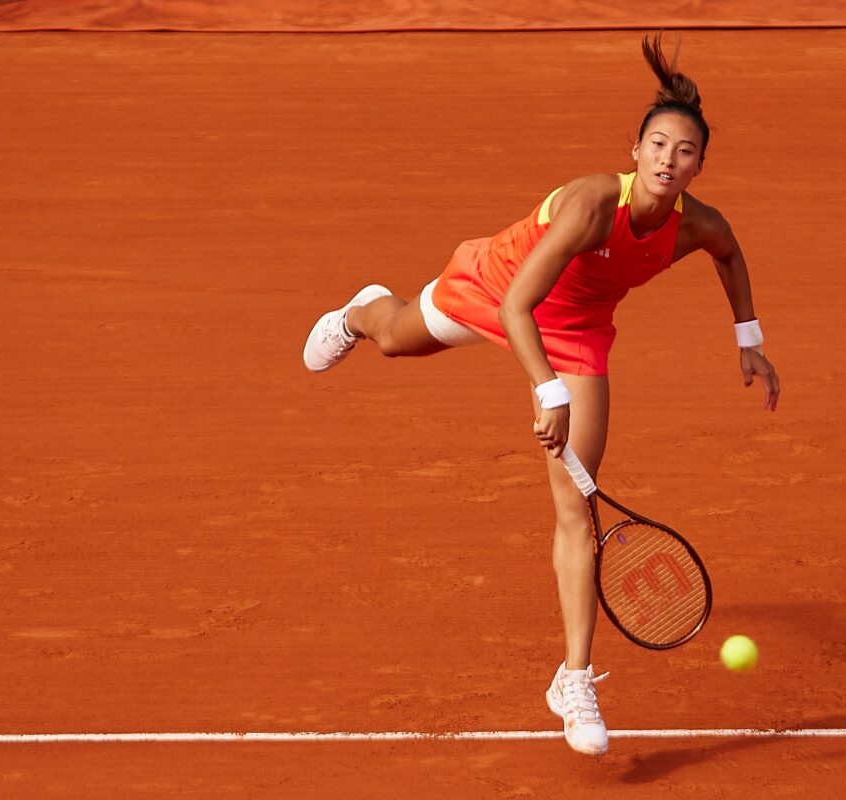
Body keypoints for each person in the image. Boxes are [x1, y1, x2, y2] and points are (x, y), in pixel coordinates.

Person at [302, 34, 780, 756]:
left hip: (580, 333)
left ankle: (574, 679)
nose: (666, 160)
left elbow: (731, 250)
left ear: (698, 165)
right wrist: (546, 389)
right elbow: (517, 307)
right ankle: (358, 311)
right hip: (500, 288)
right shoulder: (593, 205)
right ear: (637, 148)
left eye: (683, 151)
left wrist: (749, 336)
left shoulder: (693, 226)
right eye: (656, 145)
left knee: (575, 503)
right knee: (398, 337)